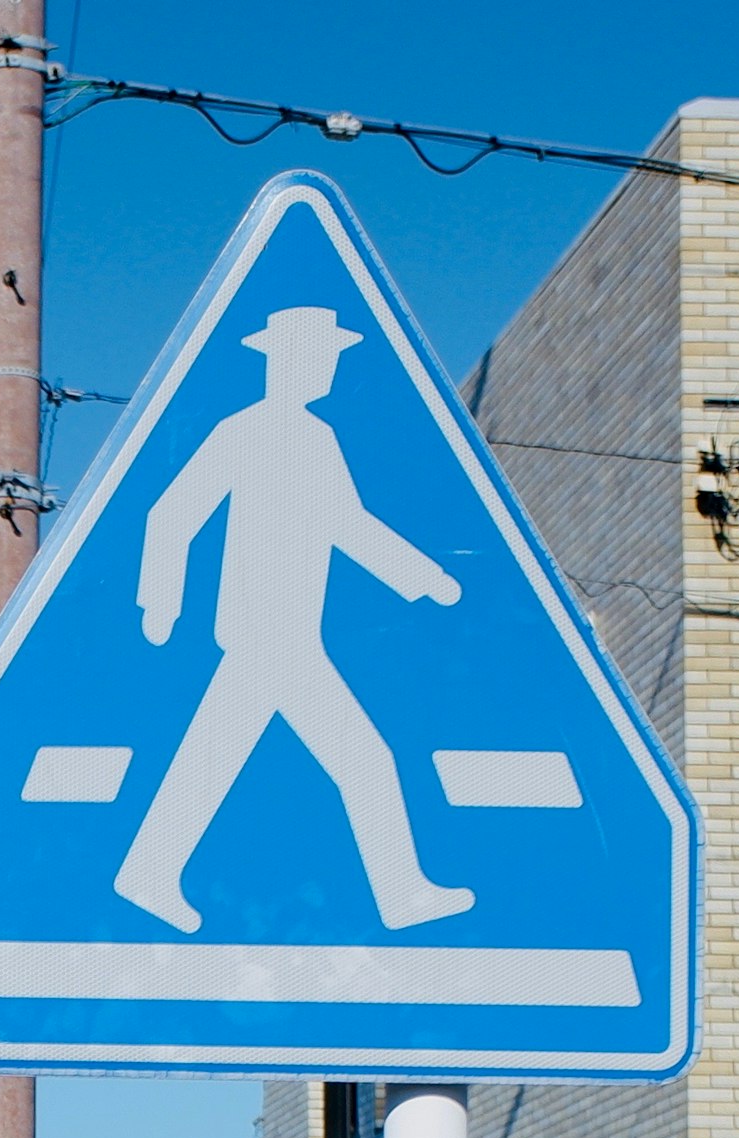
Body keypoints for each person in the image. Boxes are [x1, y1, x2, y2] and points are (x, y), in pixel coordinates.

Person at [112, 303, 470, 935]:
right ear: (285, 361)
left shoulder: (316, 437)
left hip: (291, 633)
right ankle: (401, 895)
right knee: (365, 760)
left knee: (216, 757)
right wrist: (160, 602)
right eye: (319, 357)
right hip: (262, 633)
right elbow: (171, 514)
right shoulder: (243, 430)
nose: (328, 369)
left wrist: (425, 579)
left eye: (331, 358)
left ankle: (148, 873)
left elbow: (346, 524)